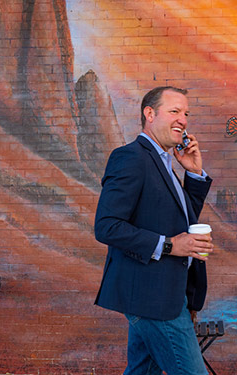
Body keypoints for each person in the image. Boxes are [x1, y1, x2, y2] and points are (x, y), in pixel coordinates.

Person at [94, 86, 214, 375]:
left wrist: (194, 173)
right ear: (150, 114)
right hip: (154, 297)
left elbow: (179, 218)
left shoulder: (164, 161)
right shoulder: (132, 157)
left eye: (186, 113)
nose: (183, 120)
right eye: (174, 111)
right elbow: (107, 226)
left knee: (141, 371)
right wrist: (171, 245)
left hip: (162, 293)